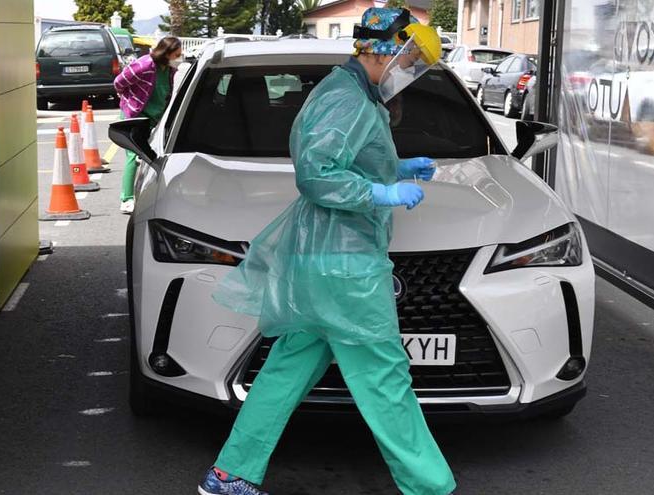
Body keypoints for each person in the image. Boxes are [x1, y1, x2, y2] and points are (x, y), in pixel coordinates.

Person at [198, 8, 455, 495]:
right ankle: (431, 488)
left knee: (289, 364)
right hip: (346, 266)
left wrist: (394, 168)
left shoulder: (351, 92)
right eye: (411, 59)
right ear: (385, 49)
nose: (410, 72)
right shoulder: (349, 100)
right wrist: (381, 194)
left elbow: (340, 157)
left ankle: (229, 474)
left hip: (321, 259)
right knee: (384, 376)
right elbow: (317, 175)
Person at [113, 36, 182, 214]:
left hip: (155, 118)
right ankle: (127, 199)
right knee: (133, 157)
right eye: (177, 55)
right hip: (136, 116)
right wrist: (129, 100)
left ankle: (153, 194)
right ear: (165, 53)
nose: (179, 58)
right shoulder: (145, 65)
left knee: (153, 156)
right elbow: (119, 82)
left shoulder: (169, 69)